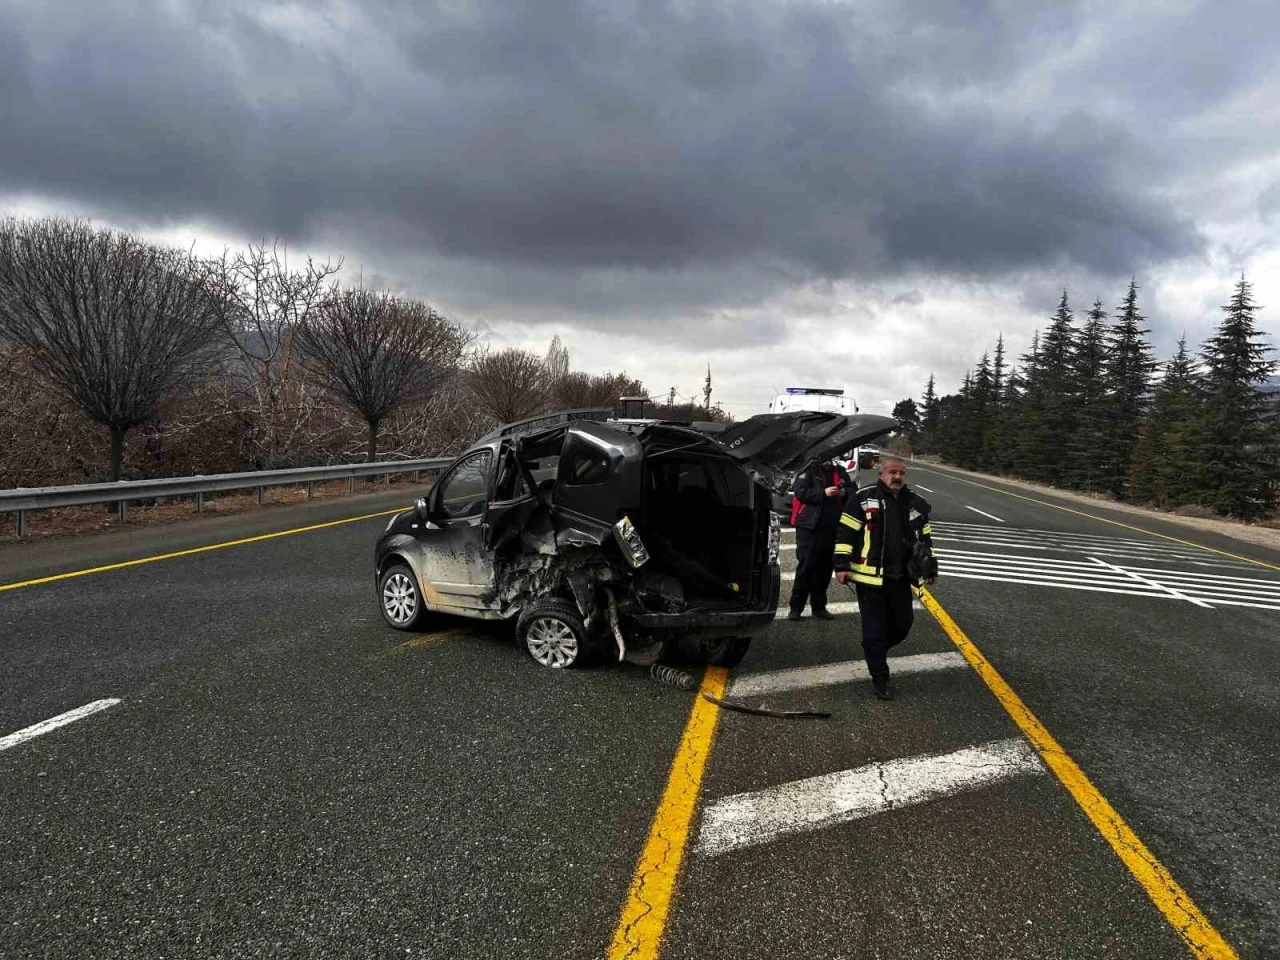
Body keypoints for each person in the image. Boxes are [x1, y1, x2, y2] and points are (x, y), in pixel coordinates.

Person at [833, 455, 938, 699]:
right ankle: (880, 677)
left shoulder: (915, 503)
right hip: (869, 579)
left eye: (901, 473)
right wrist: (841, 565)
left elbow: (925, 539)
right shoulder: (862, 498)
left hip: (901, 577)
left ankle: (874, 649)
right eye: (892, 472)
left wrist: (930, 569)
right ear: (881, 474)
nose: (897, 477)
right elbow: (845, 532)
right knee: (874, 628)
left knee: (903, 624)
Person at [787, 457, 853, 620]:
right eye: (825, 456)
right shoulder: (809, 471)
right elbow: (800, 492)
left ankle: (819, 607)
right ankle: (796, 608)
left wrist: (844, 493)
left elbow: (853, 490)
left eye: (831, 457)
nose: (828, 460)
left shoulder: (841, 471)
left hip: (833, 528)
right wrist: (823, 493)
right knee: (806, 568)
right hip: (809, 528)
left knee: (824, 570)